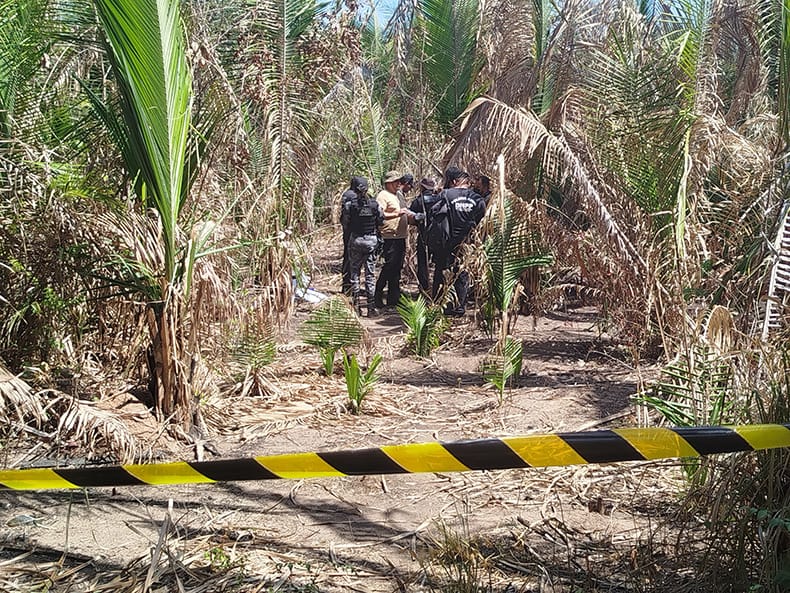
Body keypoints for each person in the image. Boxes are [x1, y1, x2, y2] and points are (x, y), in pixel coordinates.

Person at [432, 166, 486, 317]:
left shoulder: (445, 195)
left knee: (443, 272)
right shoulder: (477, 199)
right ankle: (460, 307)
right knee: (462, 274)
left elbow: (434, 214)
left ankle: (444, 306)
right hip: (467, 243)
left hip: (446, 243)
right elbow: (482, 219)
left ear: (454, 181)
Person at [342, 177, 384, 316]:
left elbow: (345, 222)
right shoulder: (375, 205)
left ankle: (357, 307)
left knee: (355, 274)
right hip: (371, 241)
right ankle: (371, 309)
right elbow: (381, 221)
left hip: (356, 240)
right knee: (370, 275)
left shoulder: (350, 205)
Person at [374, 170, 410, 309]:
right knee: (389, 266)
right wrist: (397, 213)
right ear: (388, 183)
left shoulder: (399, 196)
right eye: (396, 182)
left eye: (399, 182)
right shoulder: (383, 196)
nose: (398, 184)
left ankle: (393, 298)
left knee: (397, 268)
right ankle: (378, 294)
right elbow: (380, 215)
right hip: (389, 237)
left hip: (400, 236)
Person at [409, 177, 440, 294]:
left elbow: (411, 218)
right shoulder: (439, 199)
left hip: (423, 235)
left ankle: (424, 288)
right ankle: (437, 290)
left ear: (422, 187)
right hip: (437, 236)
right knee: (439, 263)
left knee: (422, 263)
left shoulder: (418, 201)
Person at [340, 176, 369, 295]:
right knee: (351, 259)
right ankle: (348, 286)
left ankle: (348, 285)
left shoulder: (347, 194)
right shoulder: (352, 196)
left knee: (349, 258)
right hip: (353, 232)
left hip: (350, 231)